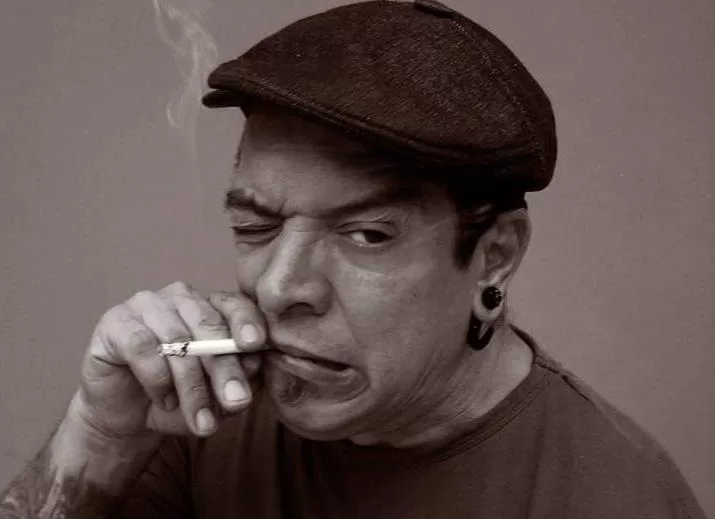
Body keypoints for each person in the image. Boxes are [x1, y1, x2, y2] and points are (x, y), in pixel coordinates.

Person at [0, 1, 706, 518]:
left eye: (365, 235)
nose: (279, 287)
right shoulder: (197, 417)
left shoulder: (614, 496)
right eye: (255, 225)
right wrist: (98, 438)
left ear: (494, 256)